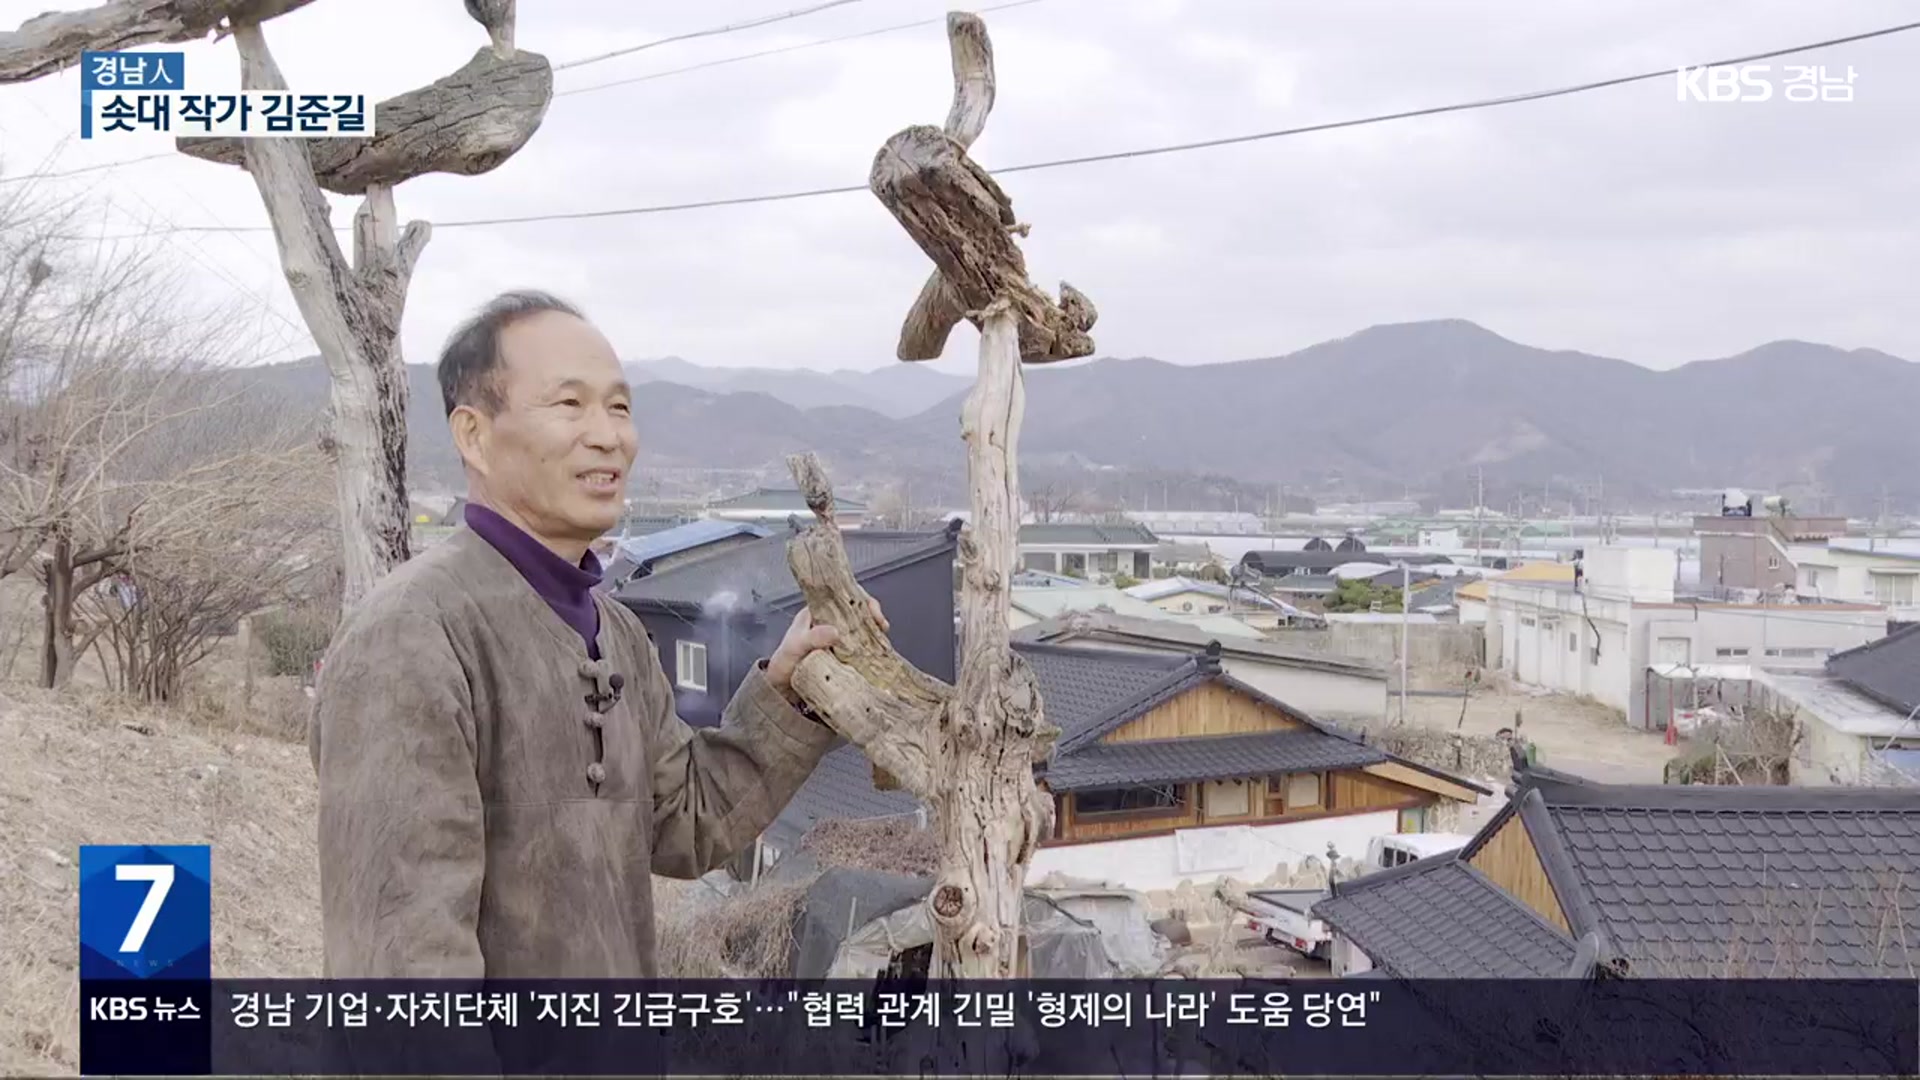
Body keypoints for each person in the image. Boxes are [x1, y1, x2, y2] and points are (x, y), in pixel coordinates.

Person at [307, 290, 882, 978]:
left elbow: (684, 822)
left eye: (619, 407)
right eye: (569, 404)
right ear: (474, 435)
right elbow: (403, 971)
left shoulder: (618, 633)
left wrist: (786, 691)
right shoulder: (413, 635)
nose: (608, 434)